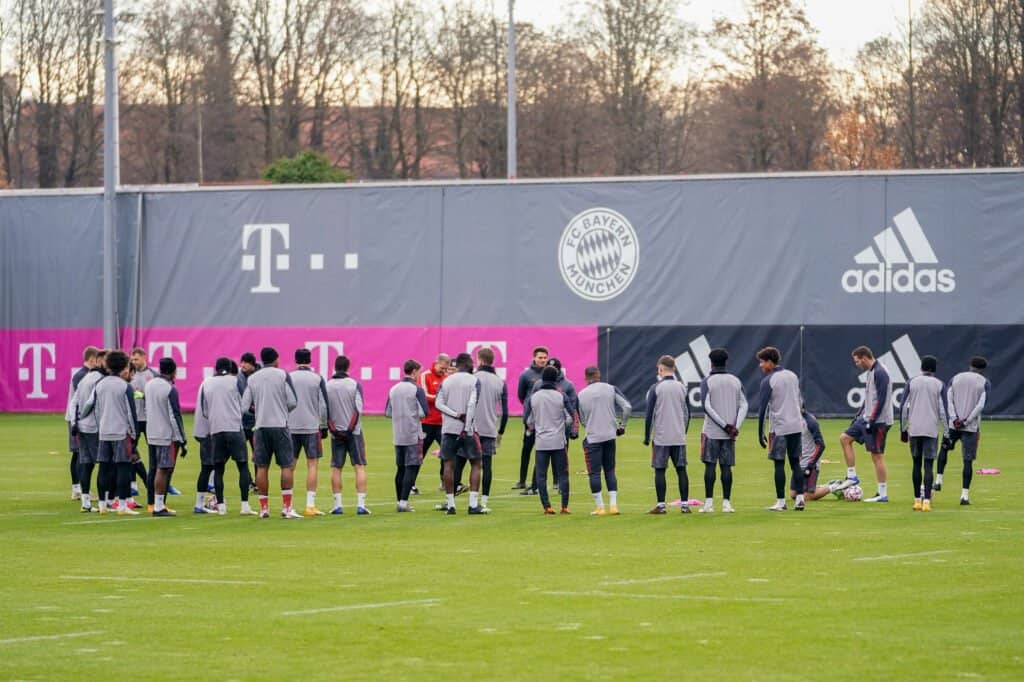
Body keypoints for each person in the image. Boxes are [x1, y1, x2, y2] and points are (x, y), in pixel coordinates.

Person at [241, 346, 300, 519]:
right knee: (286, 466)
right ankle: (287, 507)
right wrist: (282, 410)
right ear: (275, 360)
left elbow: (244, 406)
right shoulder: (282, 375)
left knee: (262, 467)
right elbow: (293, 401)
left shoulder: (252, 378)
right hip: (280, 425)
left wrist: (257, 411)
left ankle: (264, 508)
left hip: (260, 427)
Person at [81, 350, 139, 516]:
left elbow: (89, 406)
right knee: (123, 468)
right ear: (123, 366)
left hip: (103, 432)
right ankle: (121, 506)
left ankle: (102, 505)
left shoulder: (100, 384)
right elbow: (130, 413)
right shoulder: (125, 386)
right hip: (121, 433)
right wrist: (134, 435)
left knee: (103, 468)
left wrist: (85, 418)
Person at [200, 357, 256, 515]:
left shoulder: (207, 382)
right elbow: (244, 404)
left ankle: (221, 506)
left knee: (218, 469)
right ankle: (244, 505)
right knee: (242, 466)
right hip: (234, 427)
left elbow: (204, 410)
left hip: (216, 429)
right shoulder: (235, 381)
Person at [837, 346, 893, 502]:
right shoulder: (870, 372)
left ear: (863, 357)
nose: (856, 364)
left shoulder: (881, 372)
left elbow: (882, 400)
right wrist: (858, 415)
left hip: (879, 421)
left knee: (877, 456)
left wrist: (872, 420)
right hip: (866, 417)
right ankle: (852, 476)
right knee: (844, 438)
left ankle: (882, 494)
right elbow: (869, 397)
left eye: (857, 361)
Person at [756, 346, 806, 511]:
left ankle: (781, 502)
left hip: (779, 428)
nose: (761, 366)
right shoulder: (792, 376)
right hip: (796, 425)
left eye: (762, 362)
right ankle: (800, 499)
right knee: (795, 463)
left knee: (779, 464)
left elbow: (762, 408)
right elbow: (800, 401)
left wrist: (760, 432)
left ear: (770, 362)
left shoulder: (768, 380)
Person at [436, 353, 486, 514]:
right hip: (469, 429)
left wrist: (454, 414)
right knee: (476, 464)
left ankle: (450, 505)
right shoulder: (474, 381)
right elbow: (471, 404)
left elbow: (438, 403)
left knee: (448, 465)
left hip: (448, 428)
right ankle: (472, 504)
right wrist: (466, 425)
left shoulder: (446, 381)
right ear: (469, 364)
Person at [936, 356, 990, 505]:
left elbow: (949, 399)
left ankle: (938, 480)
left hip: (954, 425)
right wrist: (967, 420)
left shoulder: (956, 378)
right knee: (967, 461)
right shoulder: (984, 383)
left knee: (944, 449)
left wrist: (955, 419)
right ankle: (964, 496)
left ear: (970, 365)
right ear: (983, 370)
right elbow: (980, 406)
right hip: (971, 428)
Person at [698, 348, 747, 514]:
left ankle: (709, 504)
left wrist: (724, 425)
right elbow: (744, 405)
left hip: (711, 431)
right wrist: (735, 427)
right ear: (726, 361)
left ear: (711, 363)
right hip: (730, 434)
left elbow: (706, 406)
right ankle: (727, 503)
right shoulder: (735, 380)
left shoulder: (707, 381)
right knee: (726, 467)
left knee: (710, 466)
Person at [577, 365, 630, 516]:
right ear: (599, 375)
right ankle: (614, 506)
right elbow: (627, 407)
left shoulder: (580, 395)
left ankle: (600, 507)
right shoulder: (610, 388)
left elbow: (582, 419)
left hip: (593, 437)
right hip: (610, 436)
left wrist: (590, 425)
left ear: (586, 378)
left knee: (594, 473)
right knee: (610, 470)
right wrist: (622, 426)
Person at [524, 365, 576, 514]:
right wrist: (562, 427)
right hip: (559, 442)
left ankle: (547, 506)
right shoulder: (561, 396)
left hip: (541, 442)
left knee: (541, 476)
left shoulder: (534, 397)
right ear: (556, 380)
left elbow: (528, 419)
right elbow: (571, 417)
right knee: (563, 474)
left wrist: (534, 428)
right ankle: (564, 507)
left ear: (542, 379)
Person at [644, 355, 690, 514]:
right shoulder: (682, 387)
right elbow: (687, 414)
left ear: (661, 369)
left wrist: (646, 436)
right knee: (681, 470)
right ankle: (685, 505)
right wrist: (683, 431)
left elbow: (649, 414)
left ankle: (661, 505)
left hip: (661, 437)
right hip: (678, 436)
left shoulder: (655, 388)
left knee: (659, 470)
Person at [900, 355, 946, 511]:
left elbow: (904, 407)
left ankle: (916, 501)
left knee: (916, 463)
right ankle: (927, 501)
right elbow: (943, 410)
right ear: (934, 369)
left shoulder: (911, 382)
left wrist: (903, 428)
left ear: (922, 368)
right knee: (928, 465)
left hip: (915, 429)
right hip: (931, 429)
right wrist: (946, 431)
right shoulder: (939, 384)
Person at [288, 348, 330, 516]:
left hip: (291, 426)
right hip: (311, 426)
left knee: (289, 466)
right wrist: (324, 424)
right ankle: (310, 505)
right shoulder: (317, 378)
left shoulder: (288, 377)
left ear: (295, 360)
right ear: (310, 360)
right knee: (312, 464)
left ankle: (288, 504)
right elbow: (323, 404)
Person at [326, 355, 370, 515]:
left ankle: (338, 505)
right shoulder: (354, 385)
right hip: (354, 432)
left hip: (336, 432)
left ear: (334, 367)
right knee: (359, 466)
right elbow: (358, 409)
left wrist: (332, 429)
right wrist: (350, 430)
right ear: (348, 367)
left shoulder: (328, 385)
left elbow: (325, 410)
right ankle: (361, 505)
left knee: (337, 468)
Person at [466, 347, 508, 513]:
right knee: (487, 465)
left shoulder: (472, 378)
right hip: (490, 429)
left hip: (471, 428)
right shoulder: (500, 381)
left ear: (480, 360)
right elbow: (505, 412)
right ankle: (484, 500)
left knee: (462, 462)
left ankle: (452, 501)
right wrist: (501, 431)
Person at [144, 357, 186, 517]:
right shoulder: (169, 389)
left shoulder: (149, 385)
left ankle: (154, 503)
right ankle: (159, 506)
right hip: (165, 434)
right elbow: (174, 416)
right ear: (173, 371)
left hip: (151, 432)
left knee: (154, 469)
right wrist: (182, 440)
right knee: (163, 469)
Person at [386, 359, 428, 512]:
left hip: (398, 432)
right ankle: (403, 502)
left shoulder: (394, 389)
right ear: (415, 371)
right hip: (412, 433)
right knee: (412, 466)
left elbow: (388, 412)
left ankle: (399, 501)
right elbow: (424, 412)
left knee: (400, 468)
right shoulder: (416, 389)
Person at [72, 349, 108, 512]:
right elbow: (93, 404)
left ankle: (85, 503)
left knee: (87, 464)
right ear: (100, 361)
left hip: (82, 426)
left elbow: (75, 402)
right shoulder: (100, 380)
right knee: (104, 463)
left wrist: (75, 422)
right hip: (95, 427)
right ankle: (104, 501)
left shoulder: (85, 378)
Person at [65, 345, 99, 501]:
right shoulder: (82, 376)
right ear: (92, 359)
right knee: (79, 453)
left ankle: (77, 488)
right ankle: (77, 488)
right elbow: (82, 401)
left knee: (79, 453)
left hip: (78, 418)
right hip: (78, 419)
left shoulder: (83, 374)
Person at [516, 346, 549, 493]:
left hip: (547, 418)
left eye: (544, 357)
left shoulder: (551, 373)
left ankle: (540, 482)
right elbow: (521, 395)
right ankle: (522, 480)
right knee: (526, 449)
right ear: (534, 358)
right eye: (540, 357)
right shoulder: (526, 375)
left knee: (543, 450)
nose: (542, 360)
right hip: (531, 420)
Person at [789, 409, 837, 501]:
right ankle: (825, 486)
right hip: (798, 464)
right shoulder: (793, 420)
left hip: (810, 464)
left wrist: (811, 465)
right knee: (793, 494)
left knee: (807, 496)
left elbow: (821, 445)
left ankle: (834, 487)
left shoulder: (810, 421)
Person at [419, 353, 450, 494]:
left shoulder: (447, 378)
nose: (443, 371)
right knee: (420, 454)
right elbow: (424, 395)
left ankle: (444, 481)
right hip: (426, 422)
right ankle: (411, 483)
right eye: (442, 368)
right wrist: (440, 400)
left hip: (442, 423)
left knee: (446, 453)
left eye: (445, 369)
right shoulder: (425, 376)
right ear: (436, 363)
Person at [129, 348, 157, 497]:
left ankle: (158, 483)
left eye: (136, 359)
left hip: (148, 418)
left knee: (154, 451)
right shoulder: (129, 375)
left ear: (144, 358)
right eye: (132, 359)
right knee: (131, 451)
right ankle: (133, 485)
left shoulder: (151, 375)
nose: (134, 362)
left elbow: (155, 395)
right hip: (134, 419)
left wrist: (144, 396)